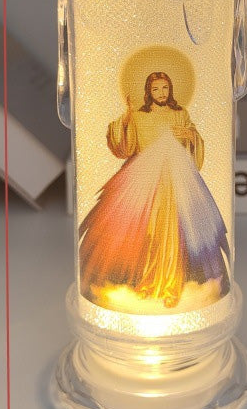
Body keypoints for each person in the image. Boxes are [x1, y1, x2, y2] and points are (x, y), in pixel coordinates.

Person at [79, 71, 230, 310]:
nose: (161, 93)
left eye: (165, 88)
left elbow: (193, 147)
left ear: (171, 89)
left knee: (173, 232)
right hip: (142, 180)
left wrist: (191, 135)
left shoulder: (180, 114)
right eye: (156, 89)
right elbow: (123, 147)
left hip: (175, 182)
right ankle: (143, 280)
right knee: (140, 228)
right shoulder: (139, 116)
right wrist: (127, 116)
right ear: (149, 92)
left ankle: (170, 283)